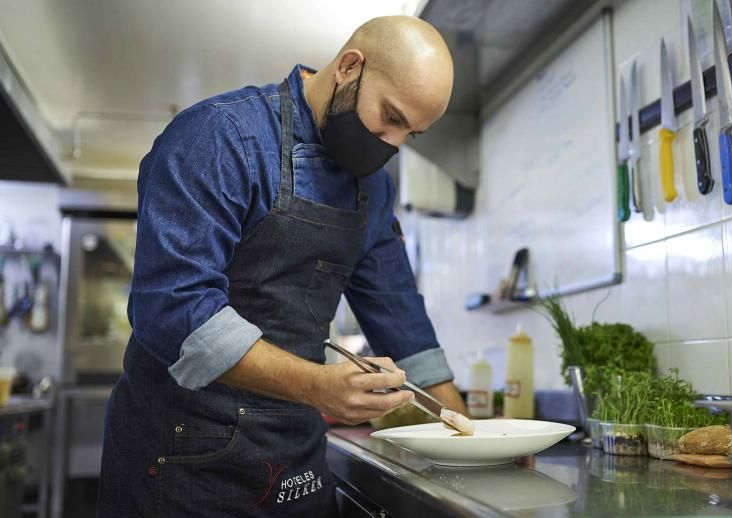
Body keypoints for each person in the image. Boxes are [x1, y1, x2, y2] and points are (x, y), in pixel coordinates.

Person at [97, 14, 465, 517]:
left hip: (296, 460)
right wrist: (320, 385)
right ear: (350, 68)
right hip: (184, 461)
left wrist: (470, 436)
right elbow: (174, 312)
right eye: (391, 117)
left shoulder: (373, 189)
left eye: (411, 134)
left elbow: (401, 319)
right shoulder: (220, 138)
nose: (393, 144)